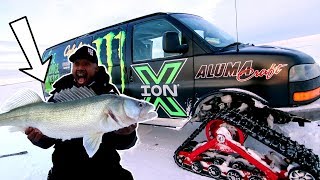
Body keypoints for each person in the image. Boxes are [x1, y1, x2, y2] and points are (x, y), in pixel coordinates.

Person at [25, 45, 137, 180]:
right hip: (65, 171)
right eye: (76, 64)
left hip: (105, 170)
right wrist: (39, 138)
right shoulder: (59, 94)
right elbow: (47, 142)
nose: (80, 68)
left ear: (95, 68)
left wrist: (126, 134)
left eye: (86, 64)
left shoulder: (108, 94)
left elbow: (124, 144)